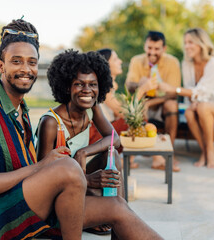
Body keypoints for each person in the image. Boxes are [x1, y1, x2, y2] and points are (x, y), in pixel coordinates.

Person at [0, 19, 162, 240]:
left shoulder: (20, 110)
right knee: (67, 167)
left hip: (26, 201)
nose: (26, 68)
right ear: (1, 65)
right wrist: (44, 166)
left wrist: (61, 173)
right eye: (16, 61)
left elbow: (37, 175)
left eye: (32, 62)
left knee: (116, 206)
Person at [35, 49, 163, 239]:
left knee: (112, 155)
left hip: (77, 183)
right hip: (57, 201)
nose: (87, 90)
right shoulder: (51, 123)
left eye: (93, 84)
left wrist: (84, 153)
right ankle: (117, 214)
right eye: (79, 84)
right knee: (117, 206)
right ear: (66, 87)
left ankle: (117, 221)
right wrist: (86, 180)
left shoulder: (91, 108)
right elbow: (43, 180)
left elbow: (114, 139)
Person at [158, 27, 214, 168]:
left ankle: (210, 150)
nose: (187, 46)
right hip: (200, 104)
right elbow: (191, 91)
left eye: (191, 42)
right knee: (189, 112)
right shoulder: (187, 63)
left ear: (201, 43)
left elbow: (202, 92)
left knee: (203, 107)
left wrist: (173, 89)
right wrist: (193, 101)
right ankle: (205, 151)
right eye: (185, 42)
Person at [126, 30, 181, 172]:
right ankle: (149, 152)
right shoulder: (136, 61)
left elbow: (173, 94)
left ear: (164, 49)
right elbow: (129, 86)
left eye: (157, 49)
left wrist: (149, 103)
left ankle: (169, 151)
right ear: (145, 46)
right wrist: (140, 84)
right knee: (136, 108)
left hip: (162, 102)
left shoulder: (172, 62)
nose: (152, 52)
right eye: (149, 48)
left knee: (172, 105)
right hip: (142, 100)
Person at [88, 48, 139, 169]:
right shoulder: (102, 86)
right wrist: (141, 91)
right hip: (96, 134)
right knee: (132, 122)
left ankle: (128, 159)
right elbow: (125, 114)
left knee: (137, 121)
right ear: (106, 65)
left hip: (103, 130)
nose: (120, 61)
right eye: (115, 59)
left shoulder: (108, 86)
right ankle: (130, 160)